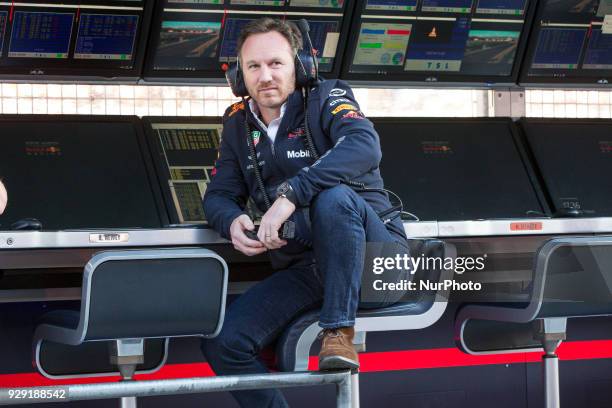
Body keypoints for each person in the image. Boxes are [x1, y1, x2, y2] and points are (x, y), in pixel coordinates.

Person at [202, 18, 410, 407]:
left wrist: (291, 195)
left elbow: (364, 146)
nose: (265, 76)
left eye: (276, 63)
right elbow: (217, 195)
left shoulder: (329, 96)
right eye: (253, 66)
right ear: (238, 75)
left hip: (378, 263)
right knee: (225, 343)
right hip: (309, 269)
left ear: (300, 65)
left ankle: (338, 334)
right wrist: (231, 220)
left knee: (334, 198)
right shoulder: (236, 124)